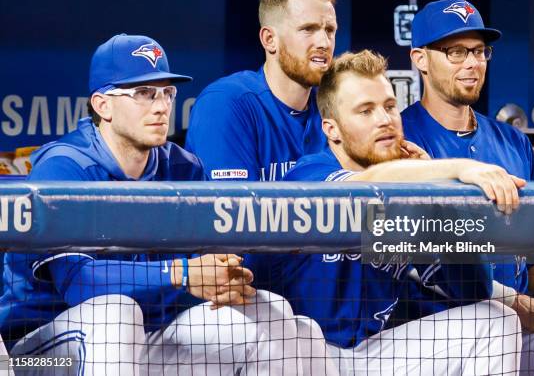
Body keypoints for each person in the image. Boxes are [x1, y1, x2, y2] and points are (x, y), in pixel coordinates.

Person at [0, 34, 307, 376]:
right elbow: (78, 284)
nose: (161, 106)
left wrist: (221, 276)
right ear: (103, 105)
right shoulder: (65, 168)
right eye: (144, 94)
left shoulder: (182, 168)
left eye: (167, 93)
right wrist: (181, 273)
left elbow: (205, 264)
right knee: (115, 314)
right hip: (37, 354)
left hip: (144, 336)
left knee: (267, 309)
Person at [245, 50, 525, 375]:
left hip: (370, 353)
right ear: (332, 129)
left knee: (496, 319)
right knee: (296, 329)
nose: (385, 119)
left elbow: (474, 289)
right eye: (365, 111)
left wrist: (441, 196)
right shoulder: (309, 174)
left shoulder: (412, 190)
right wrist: (458, 169)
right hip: (295, 353)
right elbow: (363, 187)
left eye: (390, 107)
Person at [400, 0, 534, 374]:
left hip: (515, 322)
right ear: (420, 59)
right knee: (495, 325)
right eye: (456, 51)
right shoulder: (401, 139)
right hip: (428, 326)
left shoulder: (513, 142)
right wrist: (518, 306)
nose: (472, 63)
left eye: (480, 51)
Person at [186, 0, 335, 181]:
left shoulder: (333, 107)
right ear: (269, 39)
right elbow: (234, 211)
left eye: (329, 30)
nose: (324, 43)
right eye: (308, 29)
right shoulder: (225, 102)